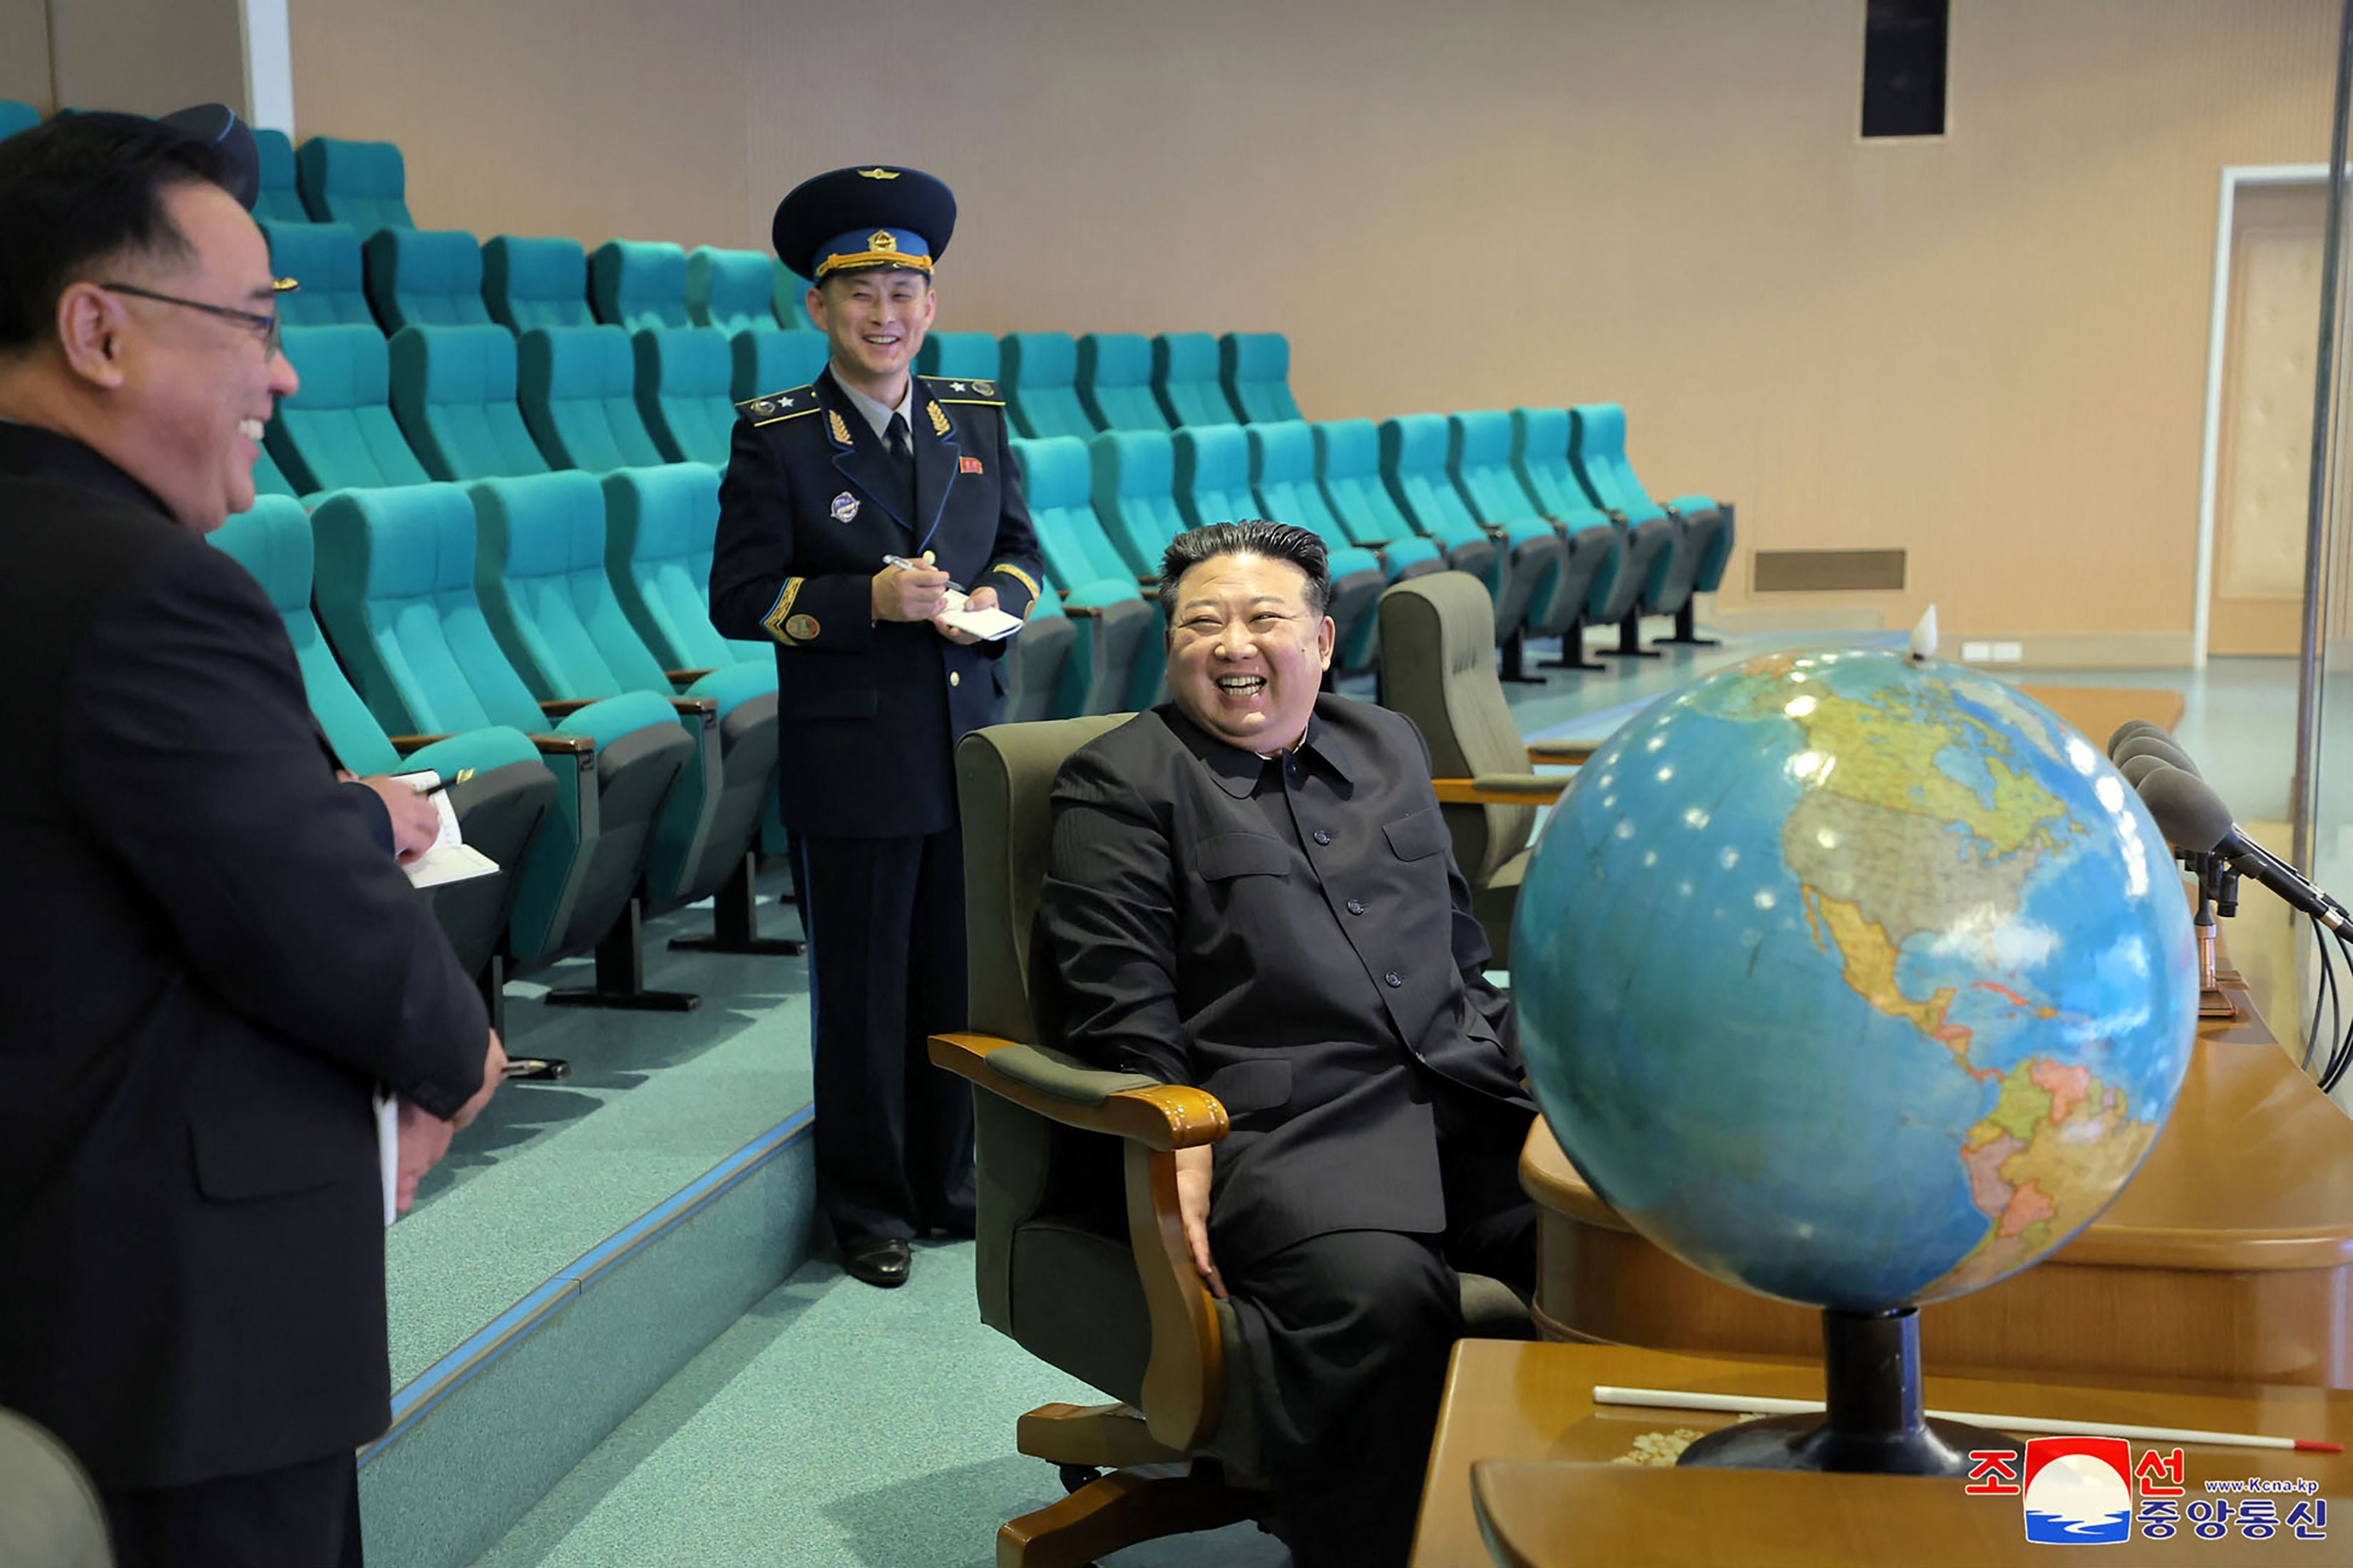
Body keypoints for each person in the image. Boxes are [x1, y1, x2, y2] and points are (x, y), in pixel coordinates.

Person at [0, 111, 505, 1568]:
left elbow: (91, 837)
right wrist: (455, 1050)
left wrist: (337, 811)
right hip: (171, 1339)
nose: (280, 370)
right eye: (247, 322)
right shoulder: (144, 589)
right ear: (97, 328)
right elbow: (305, 924)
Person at [1033, 522, 1537, 1568]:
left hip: (1462, 1103)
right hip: (1288, 1136)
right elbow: (1116, 1005)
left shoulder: (1388, 743)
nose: (1234, 645)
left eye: (1264, 618)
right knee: (1384, 1301)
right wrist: (1177, 1152)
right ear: (1167, 646)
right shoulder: (1119, 783)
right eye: (1201, 623)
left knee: (1632, 1237)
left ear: (1320, 635)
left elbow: (1451, 941)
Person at [709, 165, 1045, 1288]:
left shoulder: (976, 419)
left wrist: (998, 602)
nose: (887, 314)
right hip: (855, 758)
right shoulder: (781, 437)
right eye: (862, 294)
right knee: (863, 998)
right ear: (817, 307)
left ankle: (948, 1183)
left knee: (955, 984)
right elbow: (739, 596)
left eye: (907, 292)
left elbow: (1022, 553)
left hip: (967, 751)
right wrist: (865, 603)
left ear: (932, 305)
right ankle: (868, 1206)